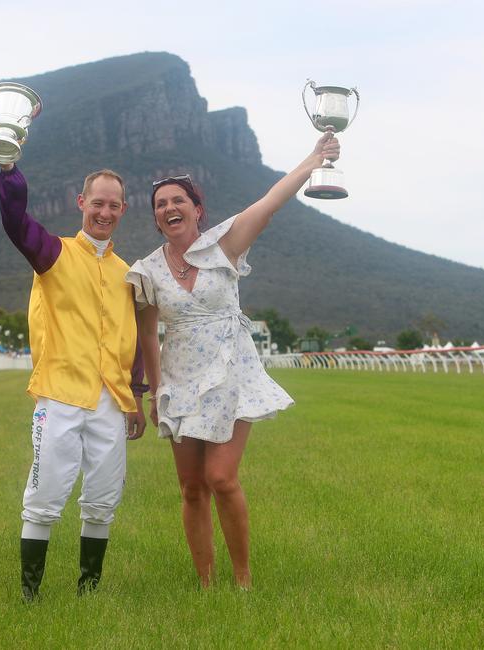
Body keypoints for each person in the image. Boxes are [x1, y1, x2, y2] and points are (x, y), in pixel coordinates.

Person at [126, 132, 340, 589]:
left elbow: (270, 202)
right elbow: (147, 333)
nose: (169, 208)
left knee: (220, 477)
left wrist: (313, 158)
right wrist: (152, 391)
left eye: (178, 200)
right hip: (180, 380)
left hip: (231, 372)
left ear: (196, 209)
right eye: (160, 204)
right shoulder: (146, 271)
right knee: (191, 488)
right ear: (156, 217)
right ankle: (206, 581)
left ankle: (242, 578)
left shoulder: (224, 243)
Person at [0, 149, 147, 602]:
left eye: (114, 205)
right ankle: (30, 594)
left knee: (103, 496)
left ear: (123, 210)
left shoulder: (126, 273)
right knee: (45, 492)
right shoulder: (53, 253)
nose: (105, 212)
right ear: (81, 202)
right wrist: (9, 171)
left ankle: (88, 590)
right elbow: (16, 220)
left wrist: (135, 394)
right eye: (98, 203)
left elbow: (129, 337)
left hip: (110, 402)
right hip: (59, 394)